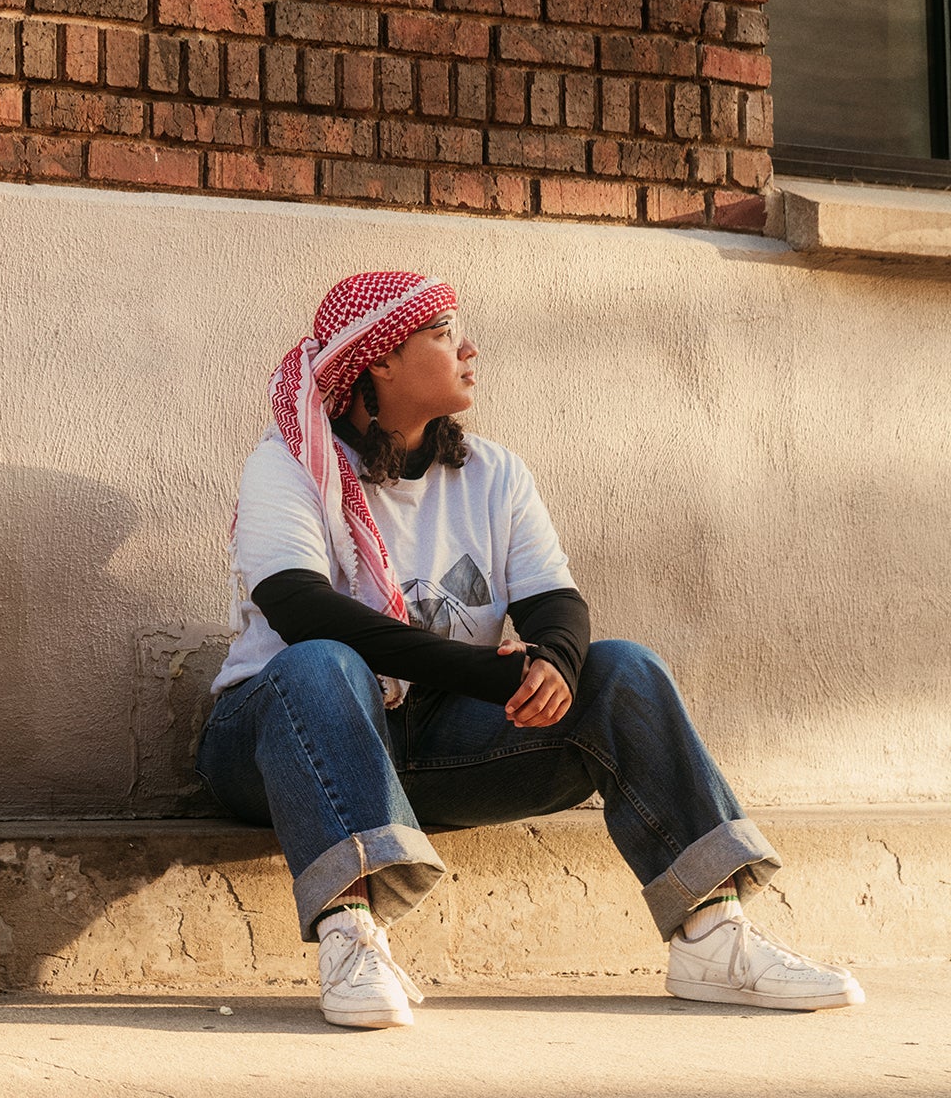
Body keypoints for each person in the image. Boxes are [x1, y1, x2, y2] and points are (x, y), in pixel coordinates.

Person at [196, 271, 865, 1030]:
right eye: (445, 334)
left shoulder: (491, 472)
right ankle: (353, 939)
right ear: (379, 360)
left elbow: (556, 603)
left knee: (621, 669)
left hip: (435, 745)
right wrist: (493, 672)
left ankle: (712, 934)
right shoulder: (288, 464)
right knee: (322, 660)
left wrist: (556, 662)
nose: (469, 349)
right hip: (279, 742)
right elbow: (297, 605)